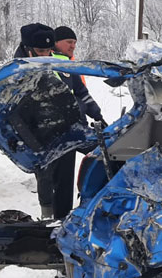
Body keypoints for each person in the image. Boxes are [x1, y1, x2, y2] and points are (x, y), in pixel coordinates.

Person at [17, 23, 103, 219]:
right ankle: (47, 218)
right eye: (41, 51)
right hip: (41, 135)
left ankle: (62, 218)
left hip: (67, 128)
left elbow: (80, 92)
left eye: (49, 50)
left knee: (65, 178)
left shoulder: (61, 62)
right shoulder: (17, 70)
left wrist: (95, 114)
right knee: (46, 176)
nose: (46, 55)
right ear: (28, 48)